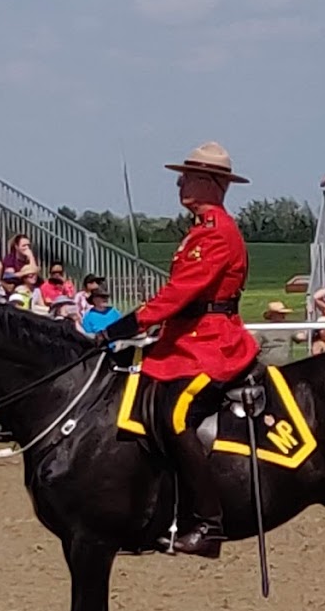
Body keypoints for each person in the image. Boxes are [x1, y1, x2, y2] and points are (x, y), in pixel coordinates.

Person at [97, 142, 259, 559]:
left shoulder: (216, 232)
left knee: (175, 415)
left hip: (212, 342)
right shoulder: (197, 230)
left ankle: (208, 525)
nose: (179, 182)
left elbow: (179, 294)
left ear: (211, 182)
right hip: (182, 340)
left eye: (186, 175)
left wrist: (121, 327)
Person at [253, 301, 296, 367]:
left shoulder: (288, 328)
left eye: (283, 314)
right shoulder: (263, 330)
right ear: (272, 315)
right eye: (280, 314)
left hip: (287, 366)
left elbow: (300, 336)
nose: (283, 316)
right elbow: (254, 347)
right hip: (267, 366)